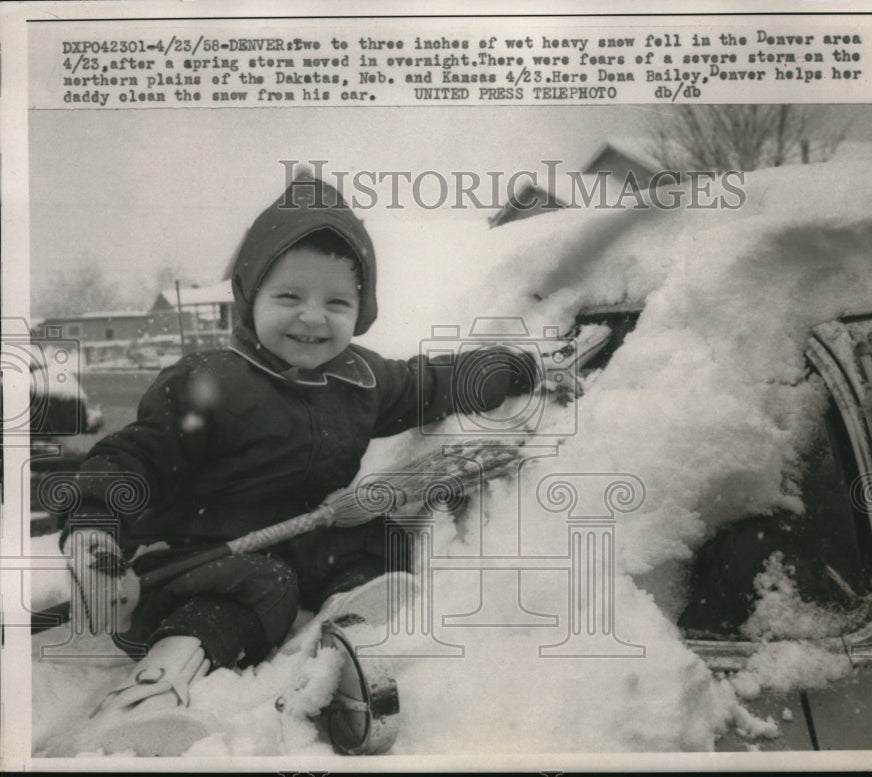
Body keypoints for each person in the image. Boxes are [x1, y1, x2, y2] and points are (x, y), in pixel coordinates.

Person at [61, 173, 540, 718]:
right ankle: (155, 685)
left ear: (361, 311)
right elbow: (137, 454)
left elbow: (428, 382)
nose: (313, 316)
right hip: (198, 560)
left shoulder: (361, 379)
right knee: (266, 585)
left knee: (373, 534)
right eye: (289, 296)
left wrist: (509, 369)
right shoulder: (210, 380)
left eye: (337, 302)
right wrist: (97, 524)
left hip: (302, 539)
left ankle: (352, 621)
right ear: (251, 297)